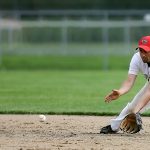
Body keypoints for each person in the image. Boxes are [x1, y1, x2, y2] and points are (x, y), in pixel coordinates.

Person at [100, 35, 150, 134]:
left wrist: (136, 112)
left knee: (134, 110)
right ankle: (114, 127)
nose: (142, 54)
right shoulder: (137, 58)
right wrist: (120, 92)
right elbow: (129, 81)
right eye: (141, 50)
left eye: (146, 51)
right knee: (132, 107)